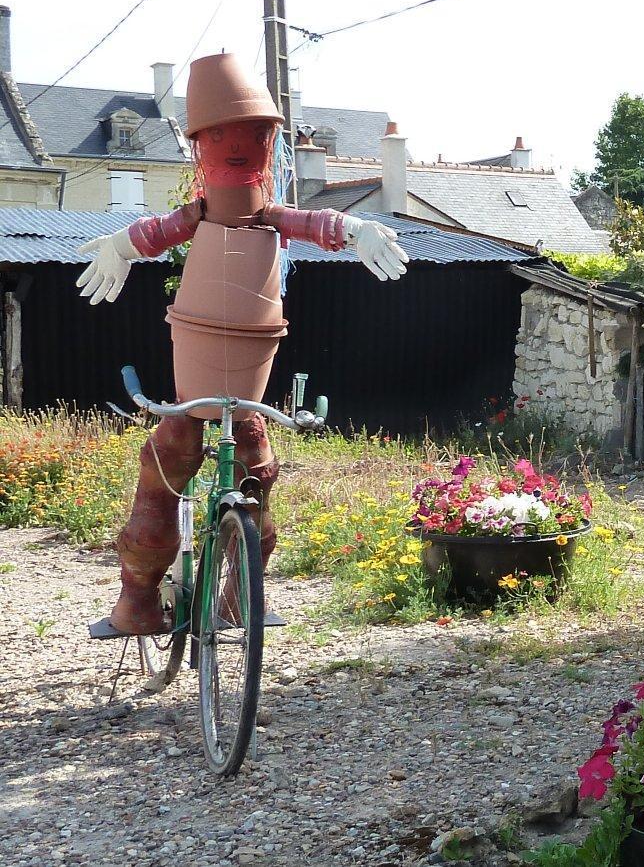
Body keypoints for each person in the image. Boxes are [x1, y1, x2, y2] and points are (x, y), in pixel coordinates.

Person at [76, 54, 408, 634]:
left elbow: (310, 222)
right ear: (199, 145)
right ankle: (137, 599)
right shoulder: (200, 215)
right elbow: (161, 230)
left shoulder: (268, 216)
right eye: (221, 135)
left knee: (256, 463)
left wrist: (356, 228)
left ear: (269, 143)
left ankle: (239, 596)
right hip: (196, 345)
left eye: (255, 135)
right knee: (170, 453)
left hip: (254, 351)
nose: (238, 146)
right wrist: (119, 246)